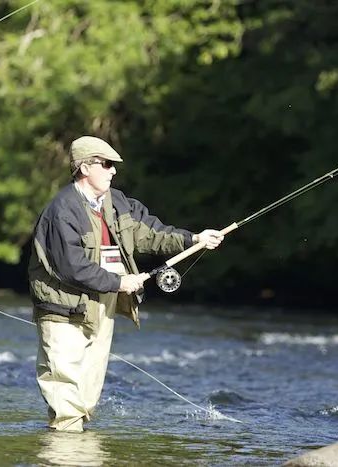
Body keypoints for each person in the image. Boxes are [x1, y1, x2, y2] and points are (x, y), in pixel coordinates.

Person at [28, 135, 224, 431]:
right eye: (106, 164)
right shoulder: (62, 210)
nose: (113, 171)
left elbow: (152, 234)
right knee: (63, 382)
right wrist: (120, 282)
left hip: (102, 301)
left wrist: (194, 238)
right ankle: (65, 447)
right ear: (84, 168)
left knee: (88, 390)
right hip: (62, 304)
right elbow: (71, 266)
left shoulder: (117, 203)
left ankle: (76, 447)